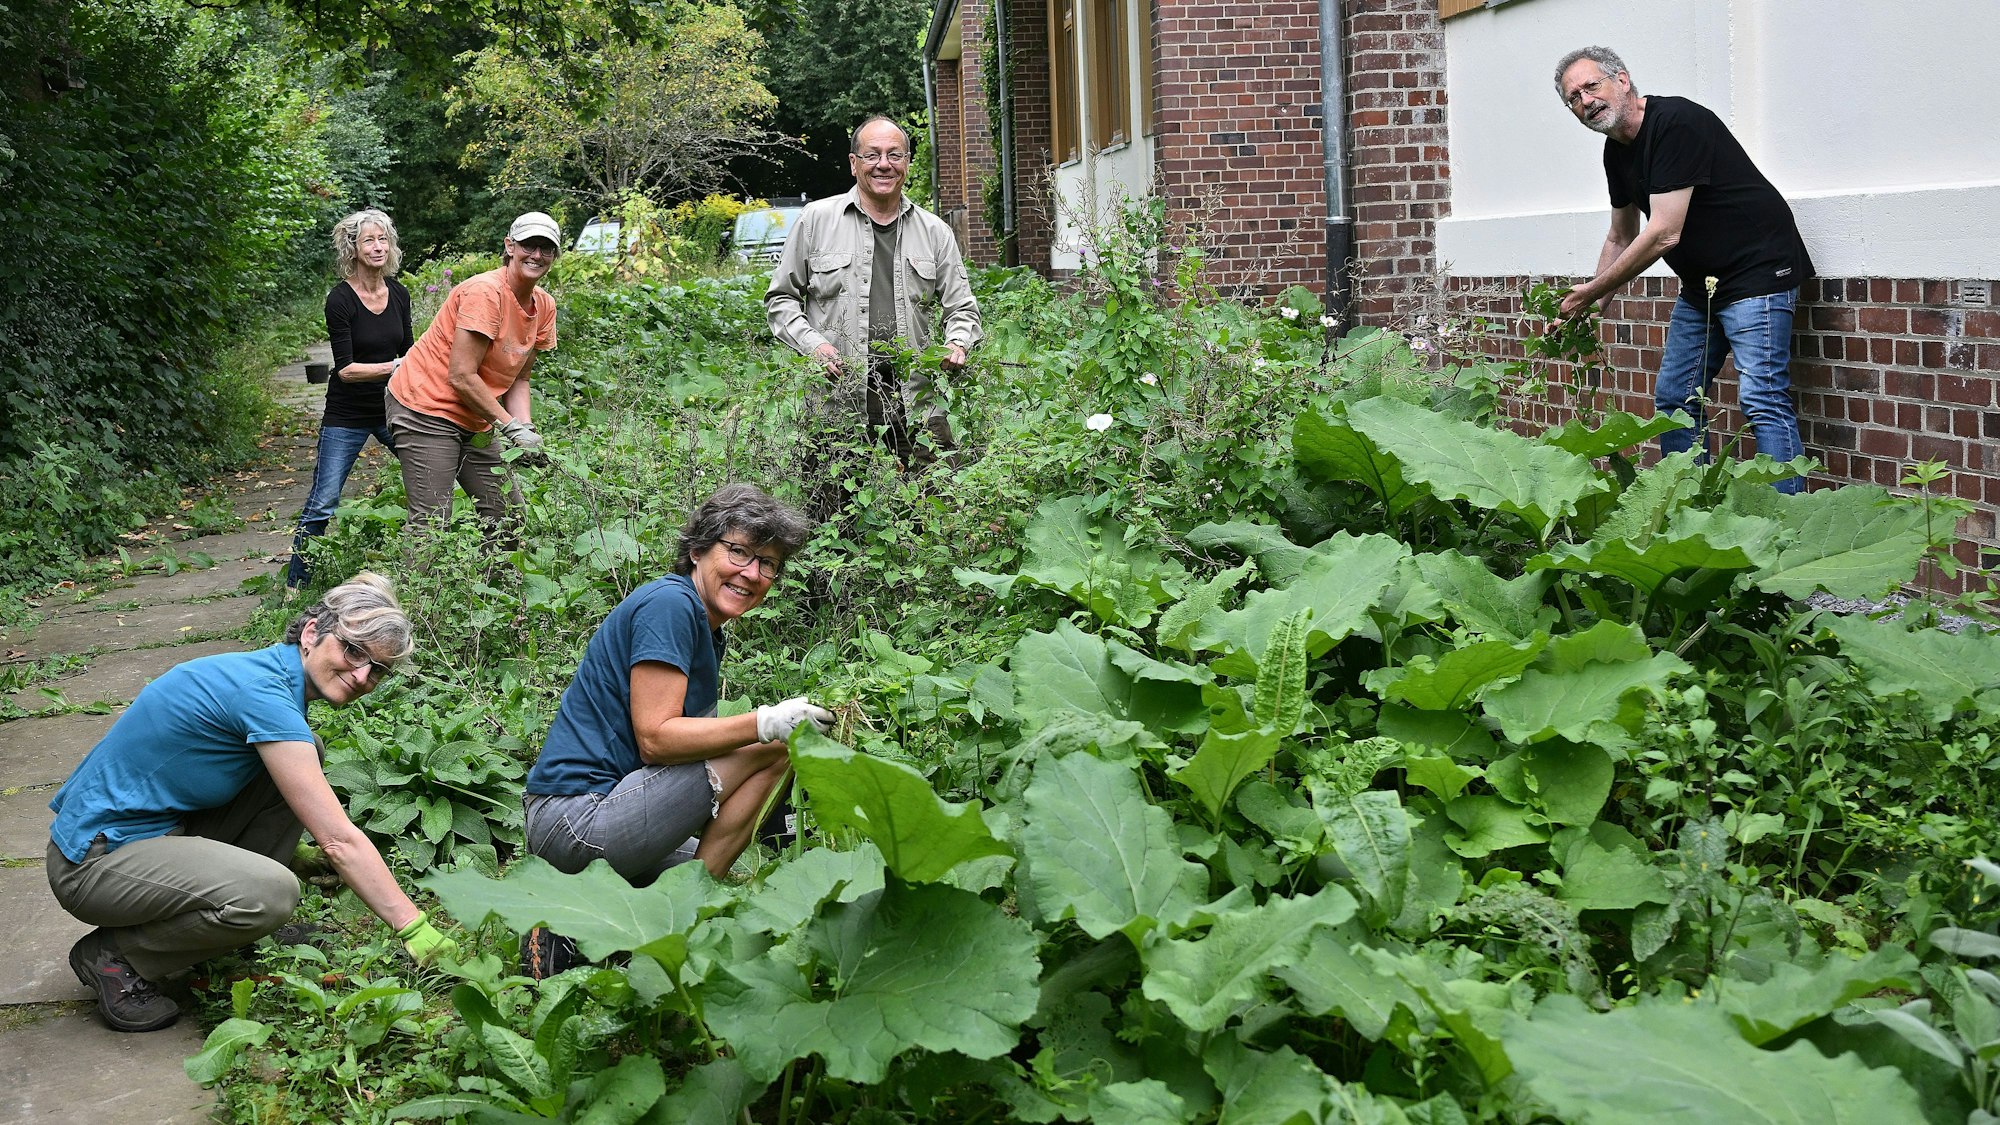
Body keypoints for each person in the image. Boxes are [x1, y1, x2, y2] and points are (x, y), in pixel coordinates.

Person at [45, 573, 455, 1032]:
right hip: (93, 862)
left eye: (378, 669)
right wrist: (415, 928)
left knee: (308, 754)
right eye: (353, 651)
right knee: (272, 894)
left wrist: (294, 855)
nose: (363, 676)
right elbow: (339, 839)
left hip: (152, 833)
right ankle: (115, 956)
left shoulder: (269, 678)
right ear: (310, 633)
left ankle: (226, 925)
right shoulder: (261, 695)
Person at [520, 485, 826, 975]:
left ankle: (600, 920)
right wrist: (765, 722)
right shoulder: (671, 605)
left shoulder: (705, 625)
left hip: (613, 808)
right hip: (574, 820)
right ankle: (670, 918)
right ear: (697, 551)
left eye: (768, 563)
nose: (752, 573)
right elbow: (658, 739)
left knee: (700, 867)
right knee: (774, 747)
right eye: (739, 551)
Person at [1554, 46, 1813, 493]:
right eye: (1573, 97)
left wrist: (1592, 290)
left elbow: (1664, 233)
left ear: (1622, 79)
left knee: (1761, 400)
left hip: (1758, 271)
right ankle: (1689, 510)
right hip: (1703, 287)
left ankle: (1790, 523)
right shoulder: (1616, 151)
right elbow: (1620, 235)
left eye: (1590, 86)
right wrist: (1592, 310)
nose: (1585, 101)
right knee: (1675, 400)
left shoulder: (1677, 123)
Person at [766, 115, 982, 503]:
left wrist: (958, 343)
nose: (884, 164)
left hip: (916, 397)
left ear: (907, 163)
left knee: (934, 507)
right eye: (873, 155)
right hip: (839, 397)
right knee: (832, 512)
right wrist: (813, 345)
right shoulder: (816, 220)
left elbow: (962, 308)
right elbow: (781, 299)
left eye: (894, 155)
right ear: (854, 163)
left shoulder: (935, 232)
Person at [386, 211, 560, 534]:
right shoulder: (486, 294)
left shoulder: (544, 307)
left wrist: (525, 427)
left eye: (546, 248)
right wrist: (509, 427)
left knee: (506, 515)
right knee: (431, 524)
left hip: (475, 416)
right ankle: (411, 587)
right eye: (528, 245)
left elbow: (520, 377)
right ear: (510, 246)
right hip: (425, 407)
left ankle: (491, 585)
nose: (537, 255)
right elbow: (461, 376)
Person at [287, 210, 411, 591]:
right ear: (352, 248)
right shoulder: (340, 300)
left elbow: (410, 352)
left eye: (383, 239)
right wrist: (397, 365)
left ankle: (425, 569)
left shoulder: (399, 294)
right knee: (323, 501)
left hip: (393, 408)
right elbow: (346, 370)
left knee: (431, 477)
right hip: (347, 415)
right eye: (369, 241)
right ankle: (296, 585)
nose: (377, 247)